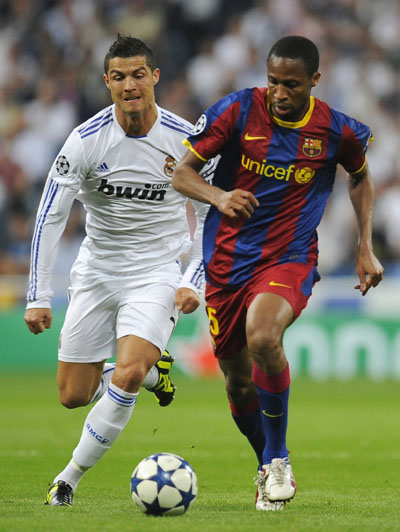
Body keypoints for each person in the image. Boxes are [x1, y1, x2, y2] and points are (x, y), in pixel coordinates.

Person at [173, 35, 384, 511]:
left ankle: (279, 457)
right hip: (226, 262)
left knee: (265, 337)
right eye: (273, 82)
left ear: (315, 80)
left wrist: (364, 246)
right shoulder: (237, 111)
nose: (279, 92)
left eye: (291, 84)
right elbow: (182, 173)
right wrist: (219, 197)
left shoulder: (336, 130)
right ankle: (267, 462)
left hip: (289, 255)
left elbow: (359, 175)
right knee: (236, 379)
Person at [24, 35, 214, 506]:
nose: (130, 85)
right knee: (72, 395)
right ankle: (155, 372)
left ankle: (66, 481)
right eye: (119, 76)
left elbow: (212, 214)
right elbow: (51, 214)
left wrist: (194, 278)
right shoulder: (85, 141)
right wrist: (38, 294)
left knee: (125, 375)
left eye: (138, 74)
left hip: (157, 270)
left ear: (154, 77)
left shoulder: (186, 138)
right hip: (98, 269)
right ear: (107, 82)